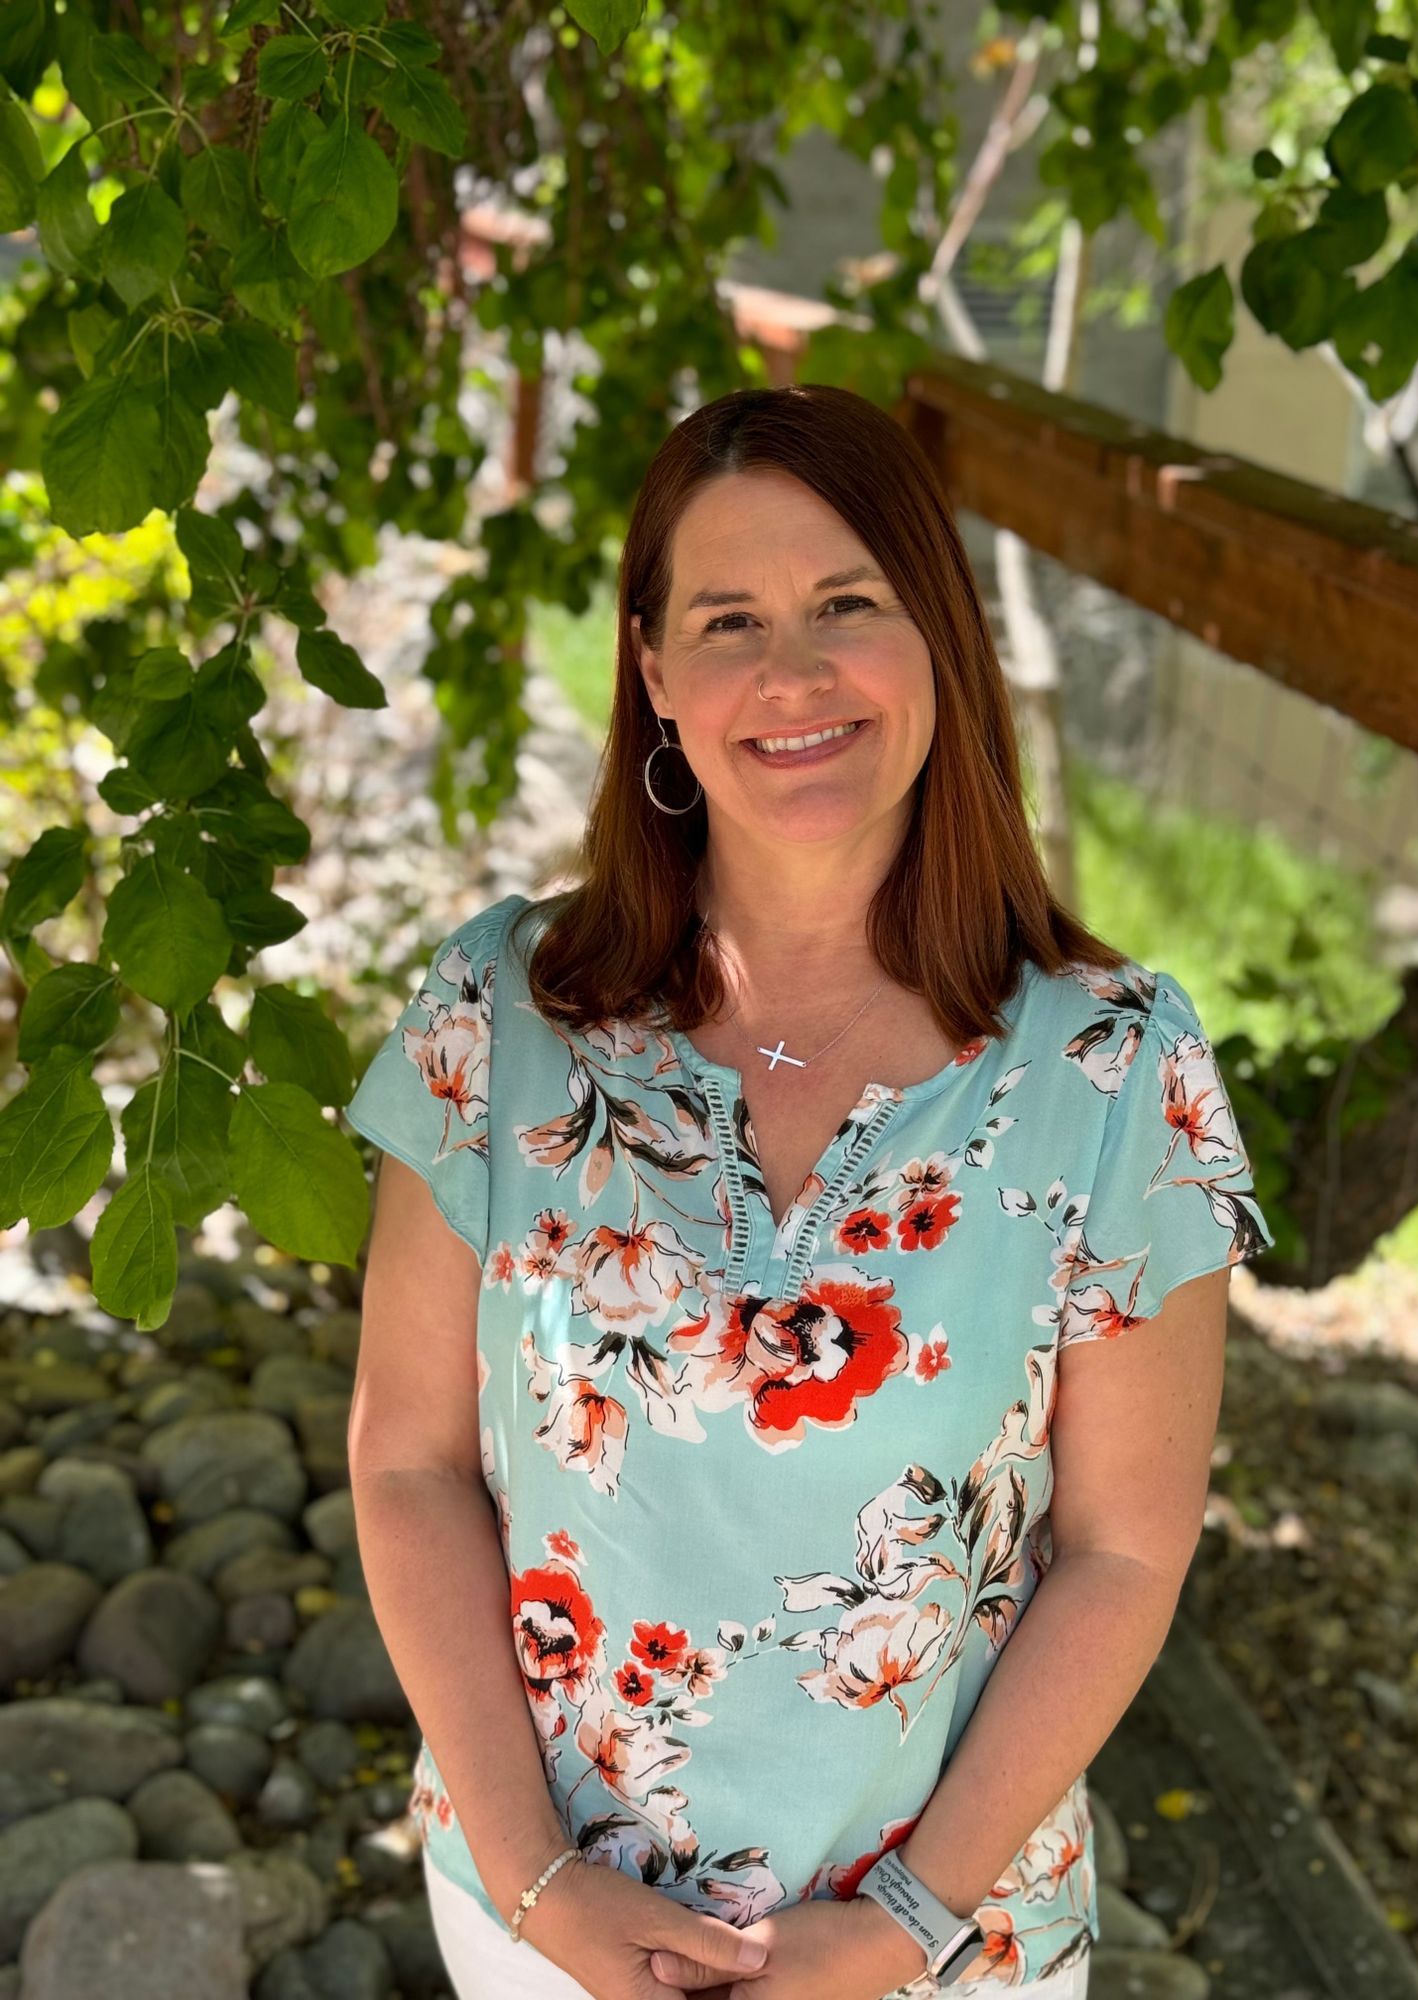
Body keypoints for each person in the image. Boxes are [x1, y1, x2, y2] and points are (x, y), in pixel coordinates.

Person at [344, 383, 1275, 2000]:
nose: (792, 673)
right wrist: (539, 1883)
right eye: (729, 619)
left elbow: (1127, 1551)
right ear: (652, 671)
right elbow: (409, 1459)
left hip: (944, 1951)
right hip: (544, 1921)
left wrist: (908, 1922)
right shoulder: (500, 1013)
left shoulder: (1118, 1070)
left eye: (850, 604)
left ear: (940, 639)